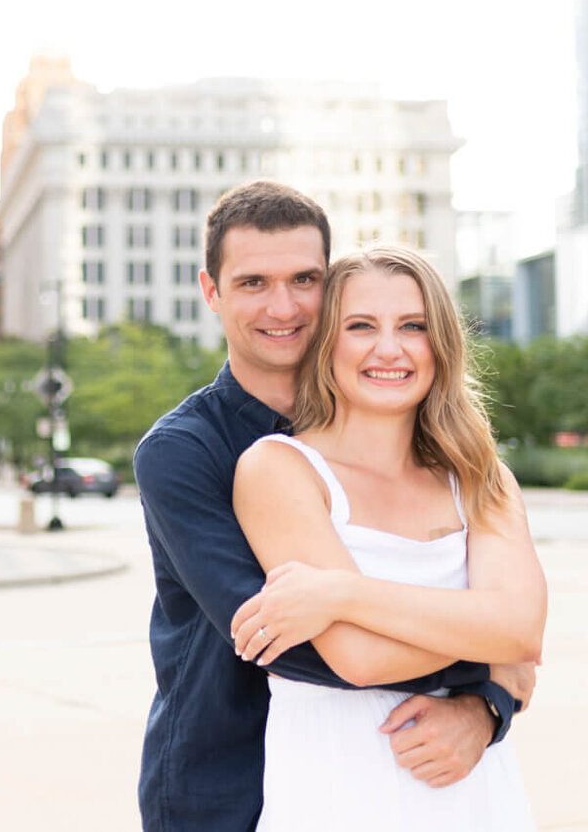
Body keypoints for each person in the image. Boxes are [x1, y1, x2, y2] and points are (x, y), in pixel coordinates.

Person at [133, 181, 529, 832]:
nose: (282, 306)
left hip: (385, 777)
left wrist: (484, 704)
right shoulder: (184, 452)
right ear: (212, 291)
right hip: (222, 785)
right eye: (253, 282)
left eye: (304, 279)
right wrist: (494, 669)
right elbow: (286, 642)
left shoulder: (398, 436)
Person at [230, 245, 544, 829]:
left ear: (440, 343)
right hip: (338, 792)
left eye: (413, 326)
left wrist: (342, 596)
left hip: (477, 797)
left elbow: (523, 630)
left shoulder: (481, 477)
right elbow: (360, 658)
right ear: (328, 344)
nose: (389, 348)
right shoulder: (279, 469)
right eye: (361, 327)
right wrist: (492, 645)